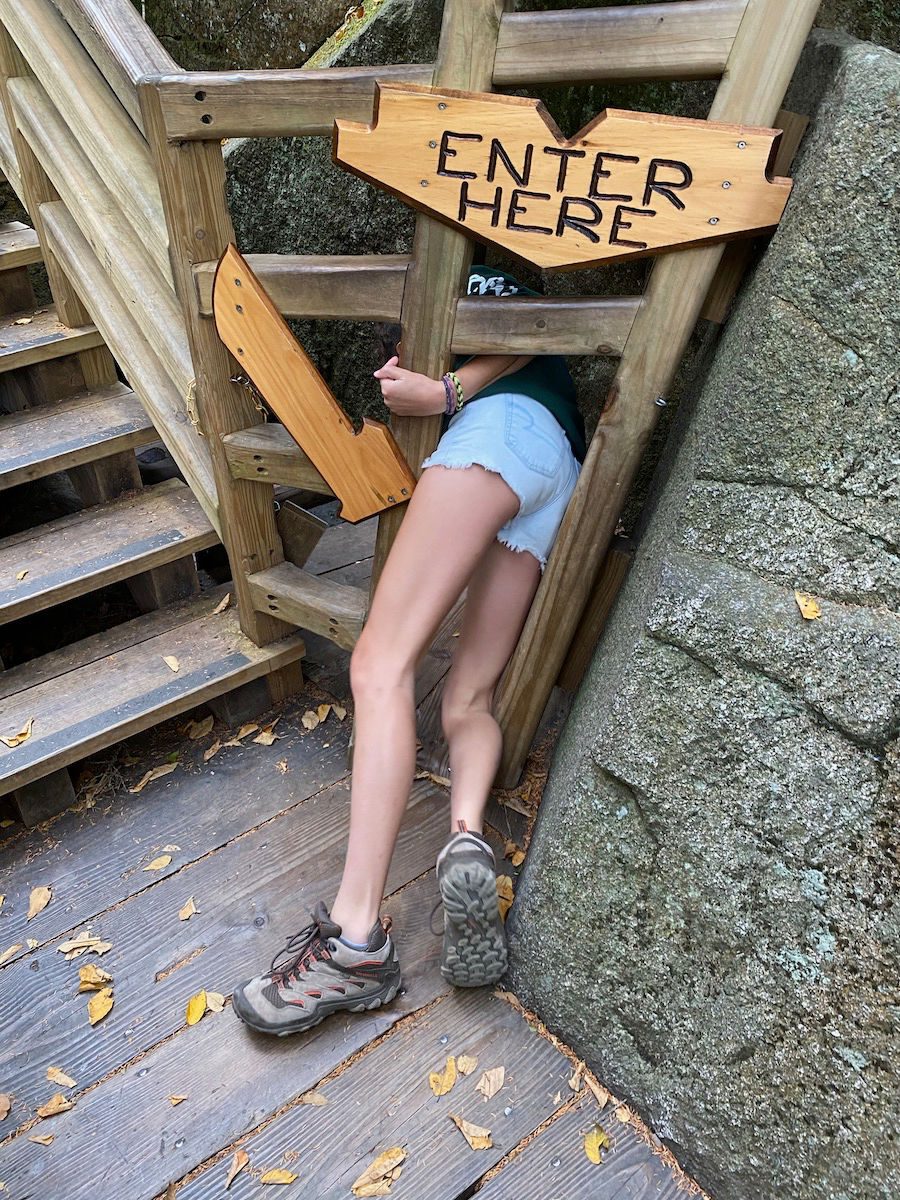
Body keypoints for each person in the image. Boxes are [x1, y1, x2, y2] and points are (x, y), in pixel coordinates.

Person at [232, 264, 586, 1036]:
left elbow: (516, 329)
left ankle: (356, 939)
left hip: (495, 438)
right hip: (557, 465)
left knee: (379, 663)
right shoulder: (525, 265)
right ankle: (464, 833)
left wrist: (445, 392)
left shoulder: (470, 268)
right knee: (469, 696)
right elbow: (544, 328)